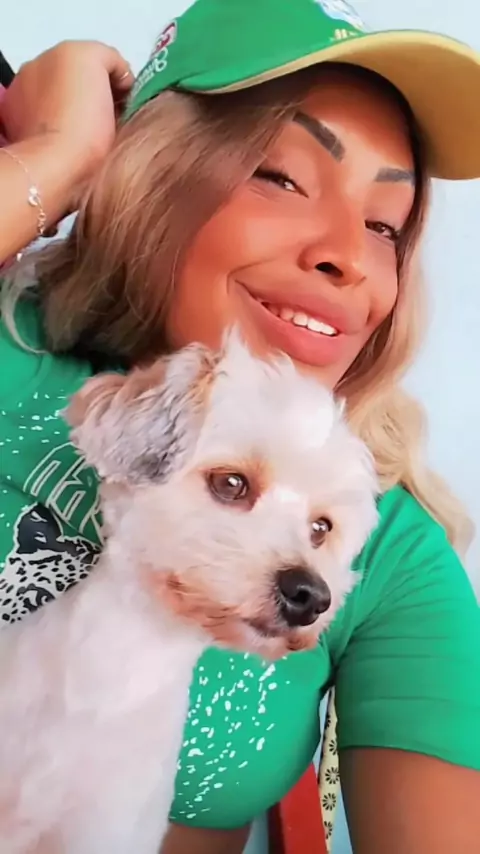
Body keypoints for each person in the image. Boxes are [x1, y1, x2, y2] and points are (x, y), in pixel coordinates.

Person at [1, 1, 480, 852]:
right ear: (152, 171)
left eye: (384, 226)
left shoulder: (392, 551)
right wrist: (60, 156)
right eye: (281, 176)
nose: (348, 257)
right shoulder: (14, 347)